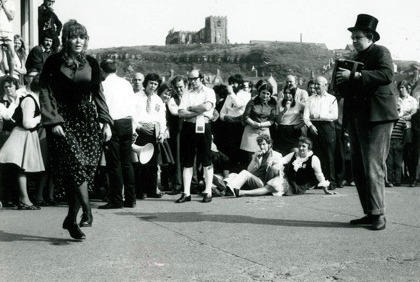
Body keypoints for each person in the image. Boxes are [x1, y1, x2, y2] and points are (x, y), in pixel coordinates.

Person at [39, 20, 113, 239]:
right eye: (73, 36)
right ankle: (88, 213)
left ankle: (71, 219)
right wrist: (53, 121)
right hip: (63, 121)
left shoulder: (91, 62)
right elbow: (44, 91)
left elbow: (98, 93)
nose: (78, 41)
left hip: (87, 121)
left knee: (84, 169)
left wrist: (106, 121)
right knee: (75, 165)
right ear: (66, 39)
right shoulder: (53, 62)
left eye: (82, 37)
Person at [335, 14, 398, 230]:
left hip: (378, 117)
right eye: (352, 37)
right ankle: (370, 212)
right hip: (359, 117)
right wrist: (340, 81)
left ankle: (379, 214)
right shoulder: (355, 56)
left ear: (370, 37)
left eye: (358, 37)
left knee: (373, 166)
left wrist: (356, 75)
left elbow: (387, 74)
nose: (354, 41)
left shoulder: (381, 51)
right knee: (360, 168)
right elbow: (347, 89)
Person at [0, 74, 44, 210]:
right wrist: (40, 118)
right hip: (21, 134)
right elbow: (27, 122)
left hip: (24, 135)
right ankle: (23, 199)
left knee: (21, 168)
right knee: (20, 168)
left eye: (10, 86)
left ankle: (24, 199)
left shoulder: (29, 98)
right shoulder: (30, 99)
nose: (8, 89)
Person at [98, 59, 137, 209]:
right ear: (115, 70)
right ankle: (130, 198)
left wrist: (104, 126)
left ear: (102, 70)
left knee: (114, 164)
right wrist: (133, 126)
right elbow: (132, 106)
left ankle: (116, 199)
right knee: (126, 163)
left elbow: (103, 107)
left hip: (112, 124)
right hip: (127, 123)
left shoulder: (103, 85)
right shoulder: (126, 84)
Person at [176, 69, 216, 203]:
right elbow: (181, 113)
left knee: (206, 159)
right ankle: (186, 193)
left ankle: (208, 191)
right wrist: (197, 111)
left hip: (204, 126)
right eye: (190, 79)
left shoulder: (209, 91)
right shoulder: (187, 93)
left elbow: (207, 107)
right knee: (187, 160)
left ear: (201, 78)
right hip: (189, 127)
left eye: (195, 78)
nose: (192, 81)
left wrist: (191, 108)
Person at [132, 73, 167, 199]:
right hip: (140, 131)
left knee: (153, 164)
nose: (153, 86)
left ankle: (152, 189)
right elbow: (131, 116)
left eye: (155, 84)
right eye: (151, 83)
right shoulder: (136, 97)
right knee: (140, 163)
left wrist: (162, 132)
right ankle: (139, 191)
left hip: (154, 132)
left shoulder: (158, 100)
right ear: (146, 83)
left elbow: (162, 118)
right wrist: (139, 127)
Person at [303, 76, 338, 189]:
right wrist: (311, 126)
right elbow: (306, 117)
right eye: (315, 84)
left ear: (325, 85)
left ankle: (331, 182)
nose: (316, 87)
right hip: (313, 127)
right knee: (315, 155)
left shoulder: (332, 98)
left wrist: (319, 116)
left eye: (319, 84)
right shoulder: (310, 99)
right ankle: (315, 181)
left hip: (327, 127)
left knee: (329, 156)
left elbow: (334, 116)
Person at [219, 74, 251, 174]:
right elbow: (222, 112)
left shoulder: (245, 95)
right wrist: (225, 117)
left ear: (240, 84)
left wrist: (232, 93)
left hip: (240, 125)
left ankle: (241, 172)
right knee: (229, 150)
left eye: (234, 83)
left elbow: (239, 104)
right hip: (229, 125)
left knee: (240, 150)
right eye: (231, 83)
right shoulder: (228, 96)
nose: (232, 85)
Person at [240, 79, 276, 161]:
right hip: (251, 131)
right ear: (259, 92)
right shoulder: (252, 102)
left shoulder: (272, 105)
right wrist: (253, 124)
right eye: (263, 93)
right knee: (253, 158)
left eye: (268, 94)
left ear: (270, 95)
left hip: (264, 131)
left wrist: (260, 125)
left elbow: (272, 120)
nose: (265, 95)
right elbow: (246, 116)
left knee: (264, 157)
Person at [166, 75, 187, 194]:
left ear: (185, 86)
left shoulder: (189, 96)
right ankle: (177, 185)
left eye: (181, 87)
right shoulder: (172, 98)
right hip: (177, 130)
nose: (179, 89)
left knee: (189, 156)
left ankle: (192, 184)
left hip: (189, 129)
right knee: (177, 157)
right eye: (177, 87)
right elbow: (176, 112)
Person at [271, 85, 305, 155]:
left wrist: (300, 125)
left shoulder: (300, 104)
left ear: (293, 93)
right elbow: (277, 121)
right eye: (286, 93)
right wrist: (284, 110)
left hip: (294, 132)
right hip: (281, 132)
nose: (287, 95)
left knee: (294, 154)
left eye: (290, 93)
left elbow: (308, 117)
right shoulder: (279, 103)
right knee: (281, 155)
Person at [397, 80, 419, 186]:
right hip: (397, 128)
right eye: (400, 88)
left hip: (408, 128)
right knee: (400, 153)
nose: (401, 90)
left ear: (407, 88)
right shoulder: (396, 100)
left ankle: (412, 177)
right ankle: (402, 175)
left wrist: (402, 115)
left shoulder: (413, 101)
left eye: (403, 88)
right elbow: (394, 113)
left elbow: (413, 115)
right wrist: (405, 114)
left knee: (410, 153)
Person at [0, 0, 16, 77]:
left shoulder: (11, 3)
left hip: (8, 32)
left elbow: (11, 16)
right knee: (0, 57)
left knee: (11, 54)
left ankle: (11, 76)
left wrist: (4, 5)